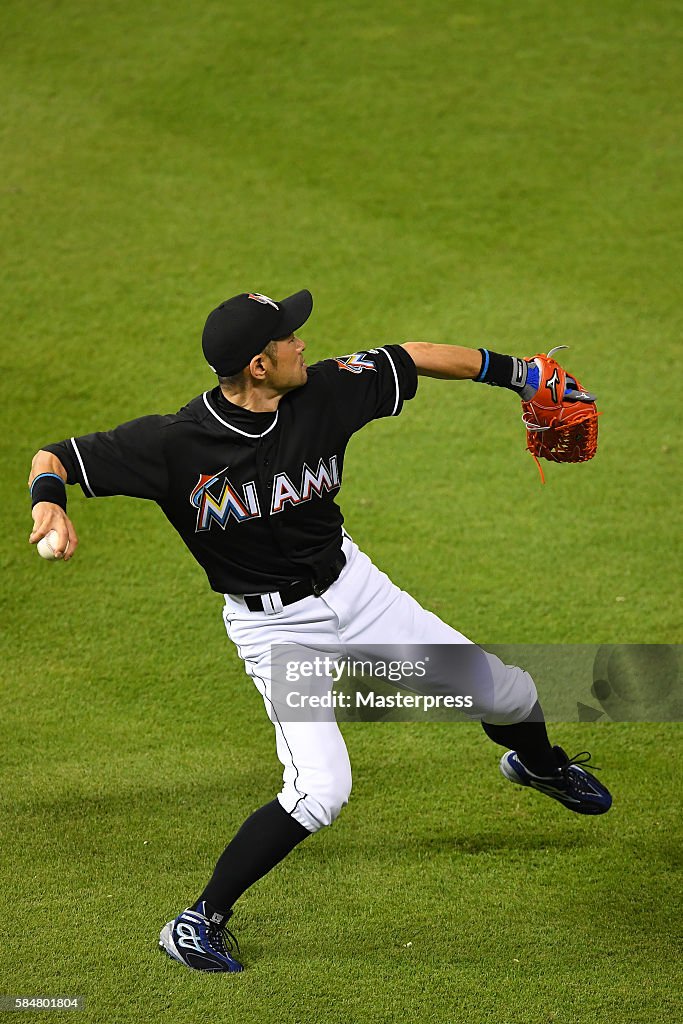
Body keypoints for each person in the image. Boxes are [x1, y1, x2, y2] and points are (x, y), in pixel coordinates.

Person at [28, 289, 611, 973]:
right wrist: (51, 507)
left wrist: (516, 373)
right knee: (320, 790)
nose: (302, 342)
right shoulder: (172, 444)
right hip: (277, 633)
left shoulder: (325, 392)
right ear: (258, 366)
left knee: (509, 695)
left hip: (356, 592)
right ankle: (196, 922)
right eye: (288, 338)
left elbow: (413, 357)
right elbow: (55, 456)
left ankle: (539, 766)